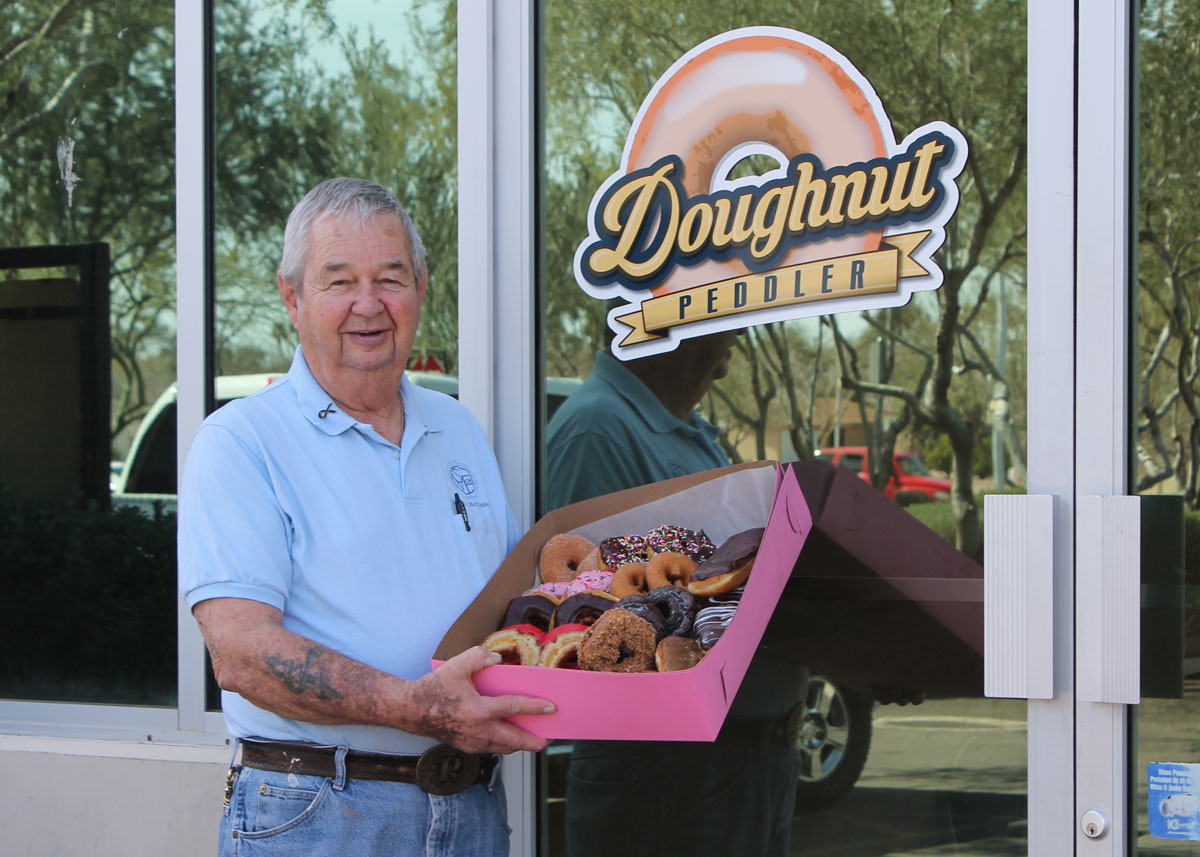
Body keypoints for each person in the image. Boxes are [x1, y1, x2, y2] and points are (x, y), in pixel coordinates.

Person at [178, 177, 555, 857]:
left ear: (421, 286)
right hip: (318, 811)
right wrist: (416, 707)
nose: (369, 304)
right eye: (339, 281)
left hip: (471, 807)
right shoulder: (241, 442)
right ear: (292, 297)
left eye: (390, 277)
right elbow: (240, 654)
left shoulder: (458, 429)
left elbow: (508, 608)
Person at [546, 325, 808, 857]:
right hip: (669, 772)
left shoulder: (690, 429)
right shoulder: (598, 428)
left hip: (743, 762)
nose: (739, 325)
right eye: (721, 304)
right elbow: (600, 619)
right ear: (669, 321)